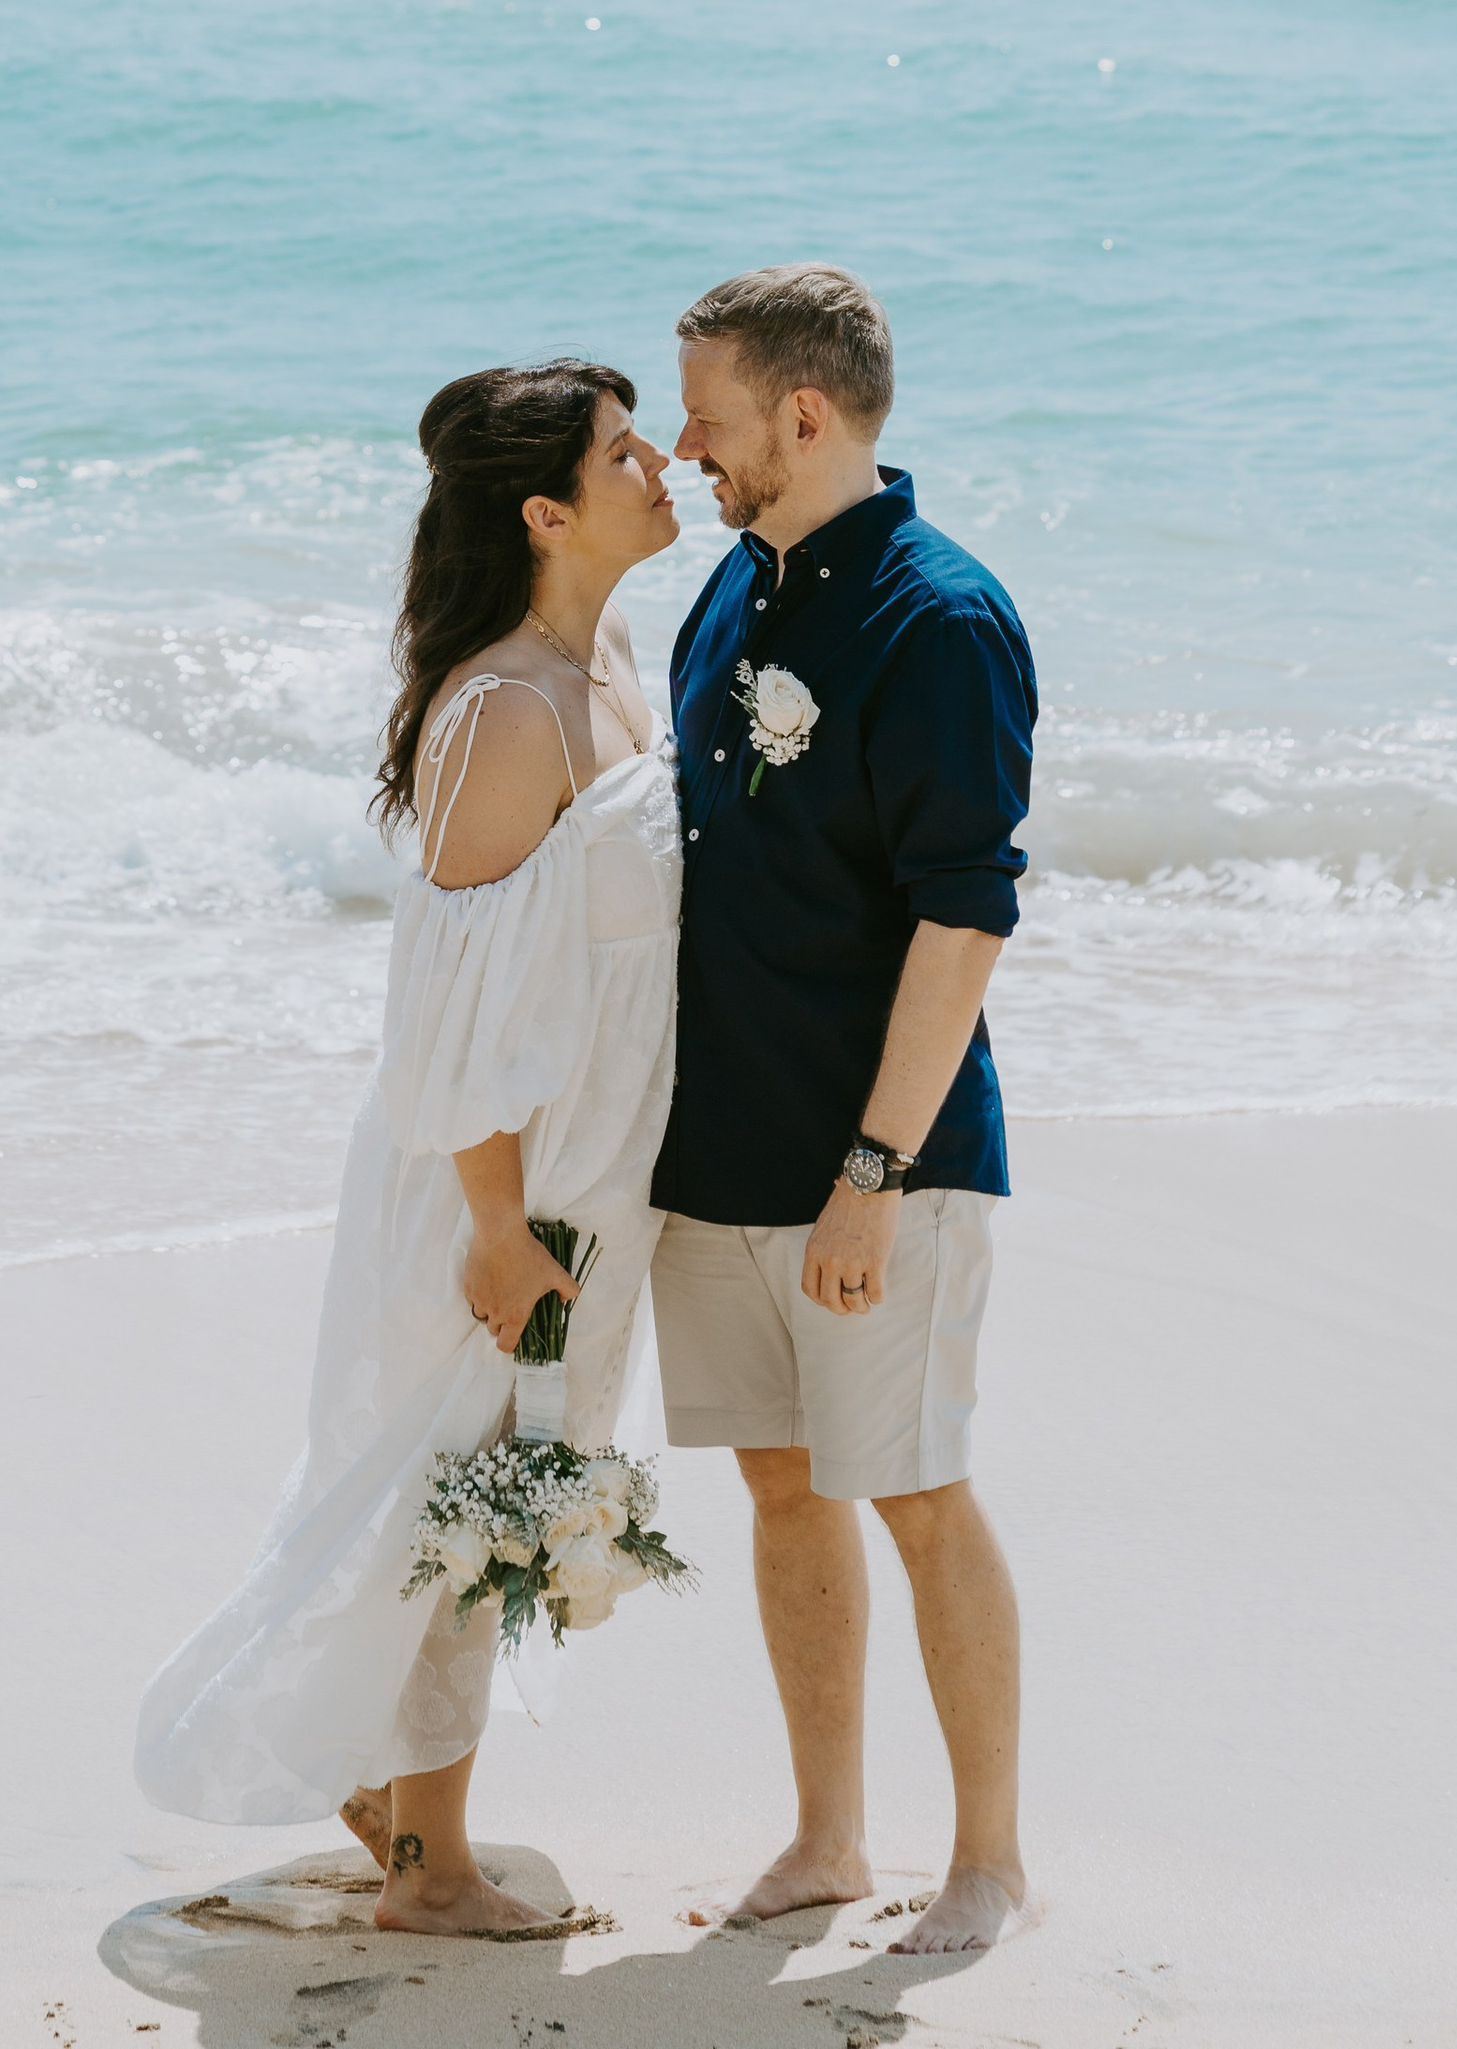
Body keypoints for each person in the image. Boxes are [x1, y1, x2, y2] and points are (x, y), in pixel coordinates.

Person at [134, 361, 683, 1936]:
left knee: (497, 1468)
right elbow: (446, 1009)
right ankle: (431, 1868)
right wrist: (497, 1223)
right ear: (544, 514)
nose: (658, 462)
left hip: (589, 1155)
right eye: (620, 451)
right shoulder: (509, 712)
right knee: (462, 1479)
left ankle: (397, 1799)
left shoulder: (608, 659)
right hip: (496, 1173)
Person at [650, 262, 1035, 1954]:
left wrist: (874, 1172)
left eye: (710, 418)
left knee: (918, 1490)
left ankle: (991, 1864)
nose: (686, 448)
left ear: (803, 416)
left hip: (882, 1161)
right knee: (782, 1486)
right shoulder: (735, 584)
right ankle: (826, 1841)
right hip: (719, 1145)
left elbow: (965, 918)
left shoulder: (941, 621)